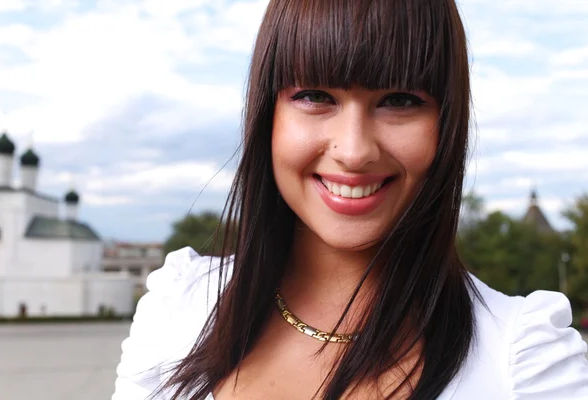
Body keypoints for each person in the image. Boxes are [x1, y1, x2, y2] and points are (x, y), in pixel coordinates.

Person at [113, 0, 588, 399]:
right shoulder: (180, 308)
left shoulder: (526, 362)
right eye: (316, 95)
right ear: (267, 115)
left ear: (446, 124)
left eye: (400, 100)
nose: (355, 150)